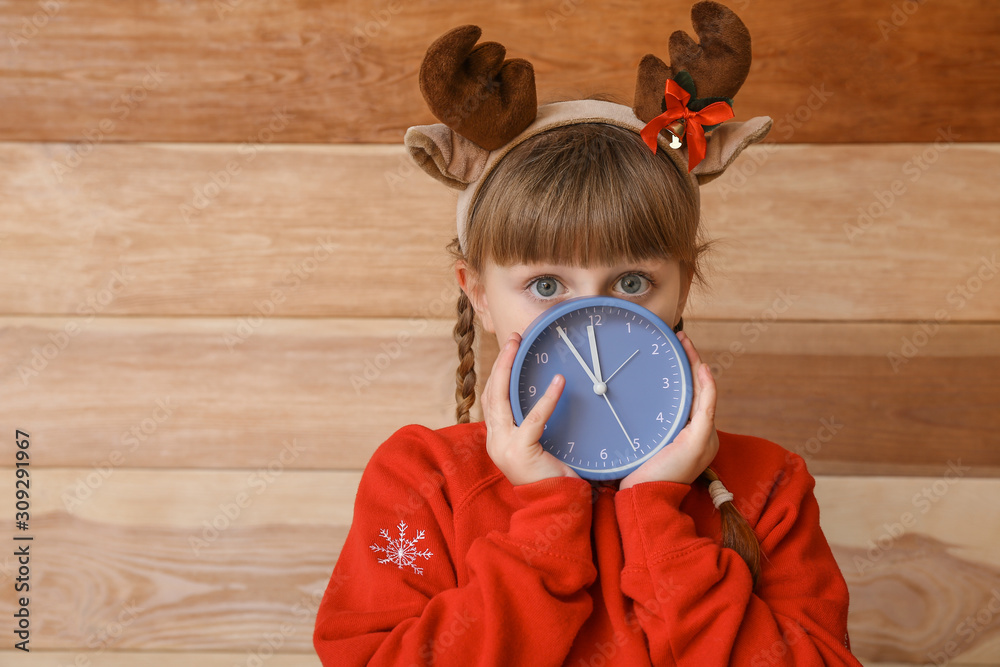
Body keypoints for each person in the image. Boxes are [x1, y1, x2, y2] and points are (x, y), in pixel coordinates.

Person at [314, 3, 864, 665]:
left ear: (682, 285)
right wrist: (549, 517)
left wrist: (659, 515)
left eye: (632, 282)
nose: (592, 324)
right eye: (546, 286)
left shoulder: (768, 485)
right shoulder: (420, 482)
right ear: (478, 292)